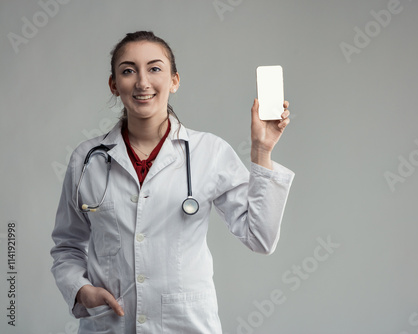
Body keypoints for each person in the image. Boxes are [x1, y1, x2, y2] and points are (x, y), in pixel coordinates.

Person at [50, 30, 294, 333]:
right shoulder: (87, 159)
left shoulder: (210, 152)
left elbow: (260, 238)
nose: (142, 82)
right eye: (128, 71)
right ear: (114, 85)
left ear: (174, 81)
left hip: (185, 325)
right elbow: (67, 246)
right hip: (112, 324)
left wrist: (261, 151)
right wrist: (80, 290)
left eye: (155, 69)